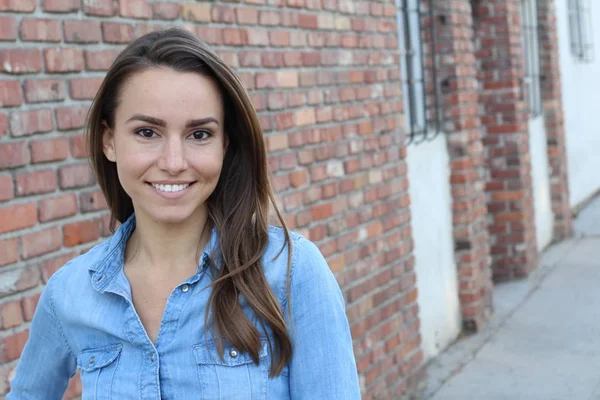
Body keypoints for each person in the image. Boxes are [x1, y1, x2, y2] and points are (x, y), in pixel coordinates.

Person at [7, 28, 361, 399]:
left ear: (225, 143)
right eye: (147, 132)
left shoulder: (290, 272)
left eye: (199, 135)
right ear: (109, 140)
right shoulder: (70, 293)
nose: (174, 163)